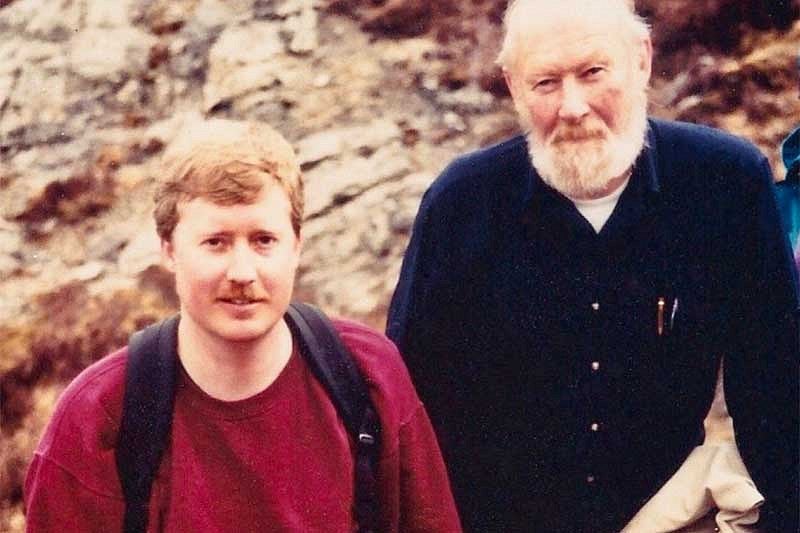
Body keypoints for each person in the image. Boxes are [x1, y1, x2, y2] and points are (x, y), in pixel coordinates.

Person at [386, 0, 799, 531]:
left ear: (642, 60)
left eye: (592, 73)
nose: (573, 106)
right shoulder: (460, 205)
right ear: (513, 86)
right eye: (546, 83)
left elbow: (775, 393)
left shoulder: (726, 183)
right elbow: (406, 410)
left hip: (667, 517)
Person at [24, 119, 461, 532]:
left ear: (297, 246)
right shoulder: (97, 419)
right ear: (169, 251)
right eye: (216, 243)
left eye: (263, 241)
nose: (242, 272)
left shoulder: (367, 377)